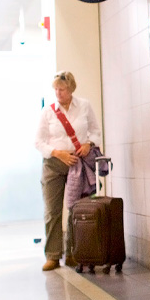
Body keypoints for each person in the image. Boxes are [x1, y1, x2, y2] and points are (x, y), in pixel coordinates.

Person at [34, 71, 102, 271]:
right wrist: (57, 153)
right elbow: (38, 141)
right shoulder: (48, 111)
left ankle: (74, 252)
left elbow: (95, 131)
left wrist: (90, 143)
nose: (58, 93)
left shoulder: (84, 106)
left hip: (78, 164)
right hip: (53, 164)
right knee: (52, 211)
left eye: (61, 89)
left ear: (71, 89)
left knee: (76, 210)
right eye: (55, 89)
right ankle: (53, 256)